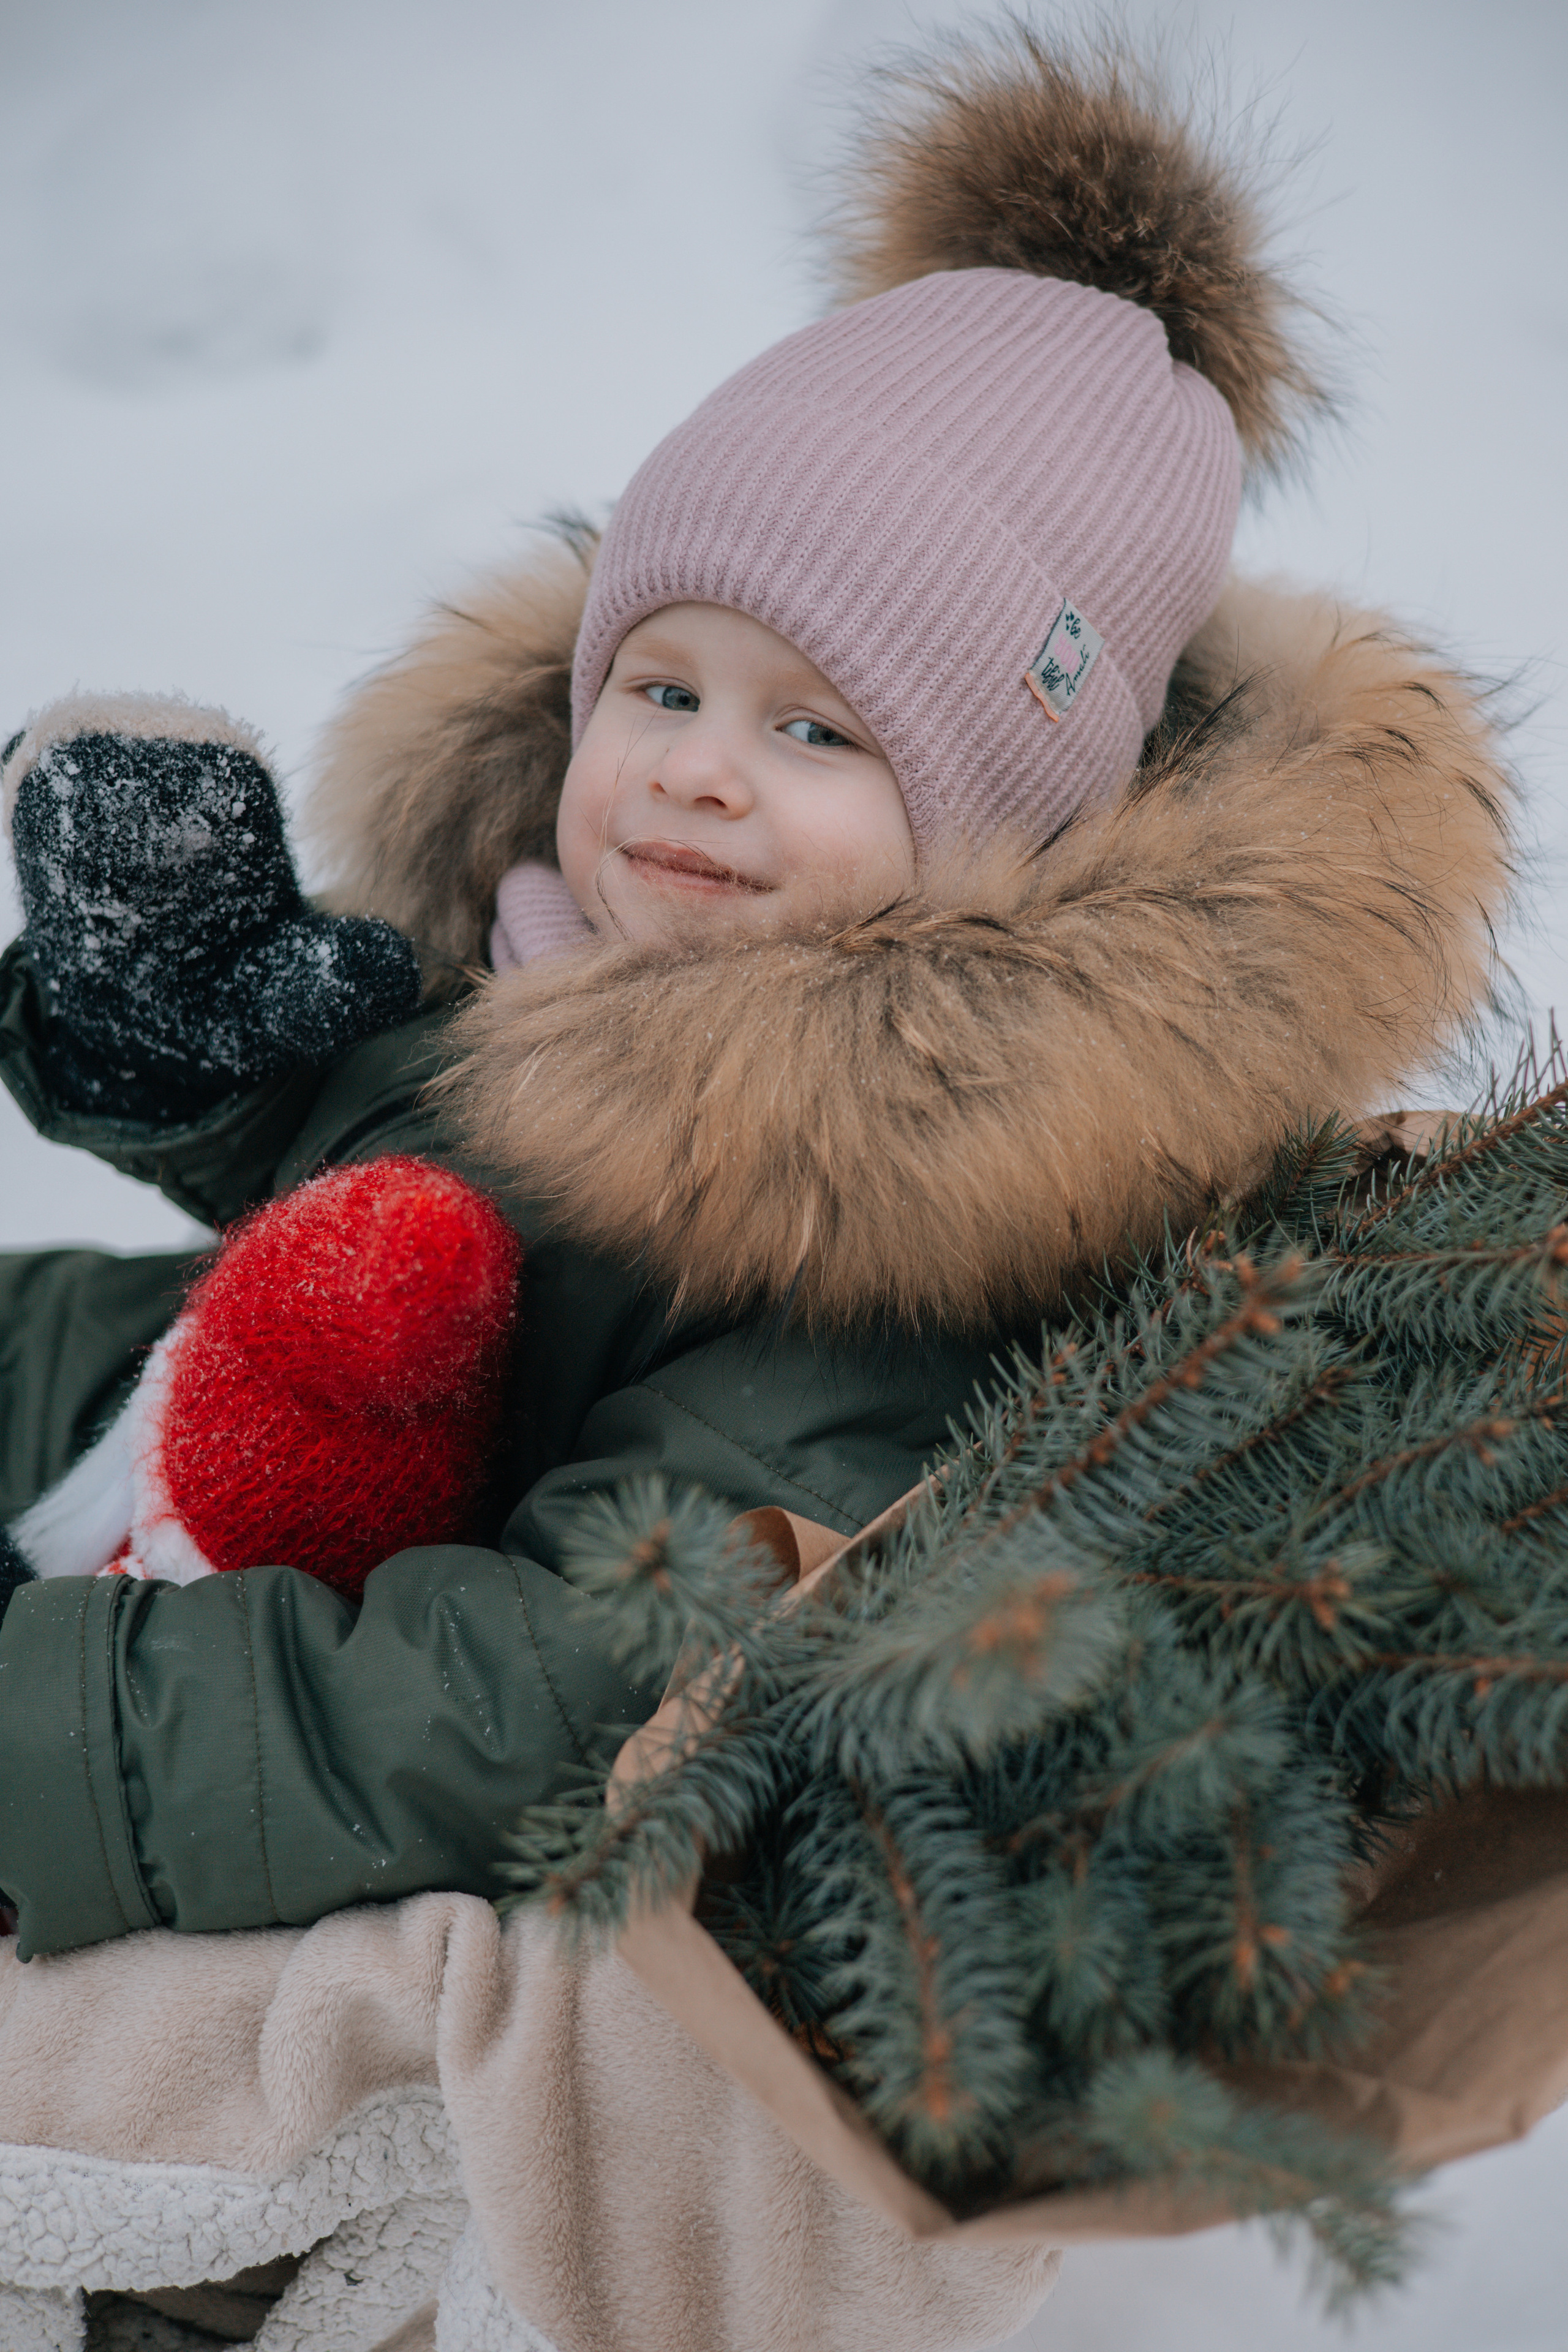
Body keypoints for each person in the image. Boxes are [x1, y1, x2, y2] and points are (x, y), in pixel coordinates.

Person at [0, 27, 1513, 1964]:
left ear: (1004, 832)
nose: (702, 767)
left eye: (817, 727)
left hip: (410, 1664)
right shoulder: (581, 933)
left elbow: (521, 1706)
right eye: (664, 686)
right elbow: (411, 1222)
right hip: (327, 1467)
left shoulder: (909, 1209)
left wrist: (54, 1729)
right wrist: (188, 1044)